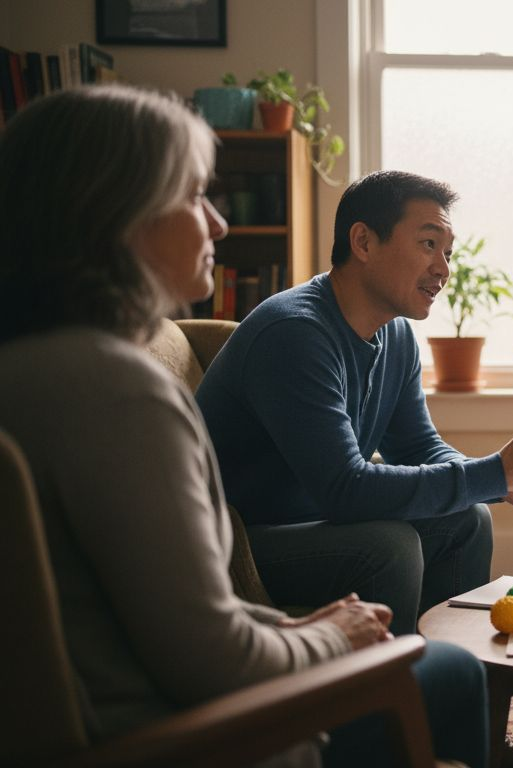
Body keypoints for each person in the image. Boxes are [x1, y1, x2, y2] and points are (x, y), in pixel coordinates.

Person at [0, 84, 488, 767]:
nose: (219, 224)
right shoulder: (120, 393)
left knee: (451, 550)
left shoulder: (33, 367)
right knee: (451, 671)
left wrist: (297, 625)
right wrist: (334, 638)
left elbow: (165, 612)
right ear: (117, 213)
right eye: (195, 195)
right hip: (198, 737)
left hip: (159, 702)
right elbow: (211, 659)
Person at [195, 169, 513, 766]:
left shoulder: (396, 338)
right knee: (387, 545)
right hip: (244, 544)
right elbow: (344, 491)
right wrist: (491, 473)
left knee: (469, 522)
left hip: (311, 526)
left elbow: (421, 448)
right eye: (428, 243)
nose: (444, 267)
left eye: (449, 251)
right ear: (363, 242)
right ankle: (398, 739)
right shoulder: (295, 333)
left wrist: (498, 481)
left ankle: (470, 729)